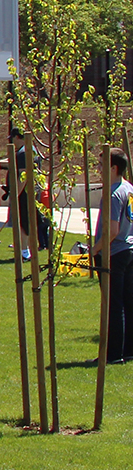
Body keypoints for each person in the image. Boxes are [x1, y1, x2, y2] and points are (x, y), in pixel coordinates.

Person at [98, 148, 132, 364]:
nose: (98, 169)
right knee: (128, 303)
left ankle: (113, 355)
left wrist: (94, 250)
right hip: (129, 250)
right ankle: (128, 350)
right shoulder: (129, 189)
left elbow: (112, 231)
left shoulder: (113, 193)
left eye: (101, 165)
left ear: (114, 168)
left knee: (113, 305)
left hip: (115, 253)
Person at [7, 126, 51, 262]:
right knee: (31, 222)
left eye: (12, 139)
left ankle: (25, 252)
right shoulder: (33, 151)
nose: (12, 142)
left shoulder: (23, 153)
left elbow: (24, 176)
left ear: (17, 137)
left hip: (25, 194)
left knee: (24, 223)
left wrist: (16, 195)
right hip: (32, 193)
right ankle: (30, 249)